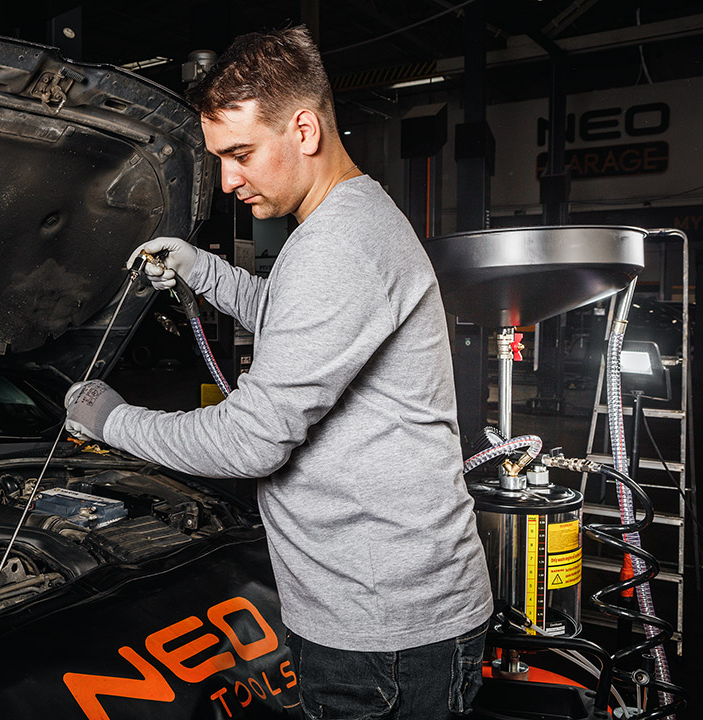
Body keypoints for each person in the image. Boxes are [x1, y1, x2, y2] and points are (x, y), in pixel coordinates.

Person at [65, 26, 493, 720]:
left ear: (304, 129)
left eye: (240, 155)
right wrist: (202, 271)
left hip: (383, 634)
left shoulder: (338, 244)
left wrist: (113, 421)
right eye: (220, 159)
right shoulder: (345, 220)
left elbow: (251, 441)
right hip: (381, 613)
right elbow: (295, 319)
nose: (228, 181)